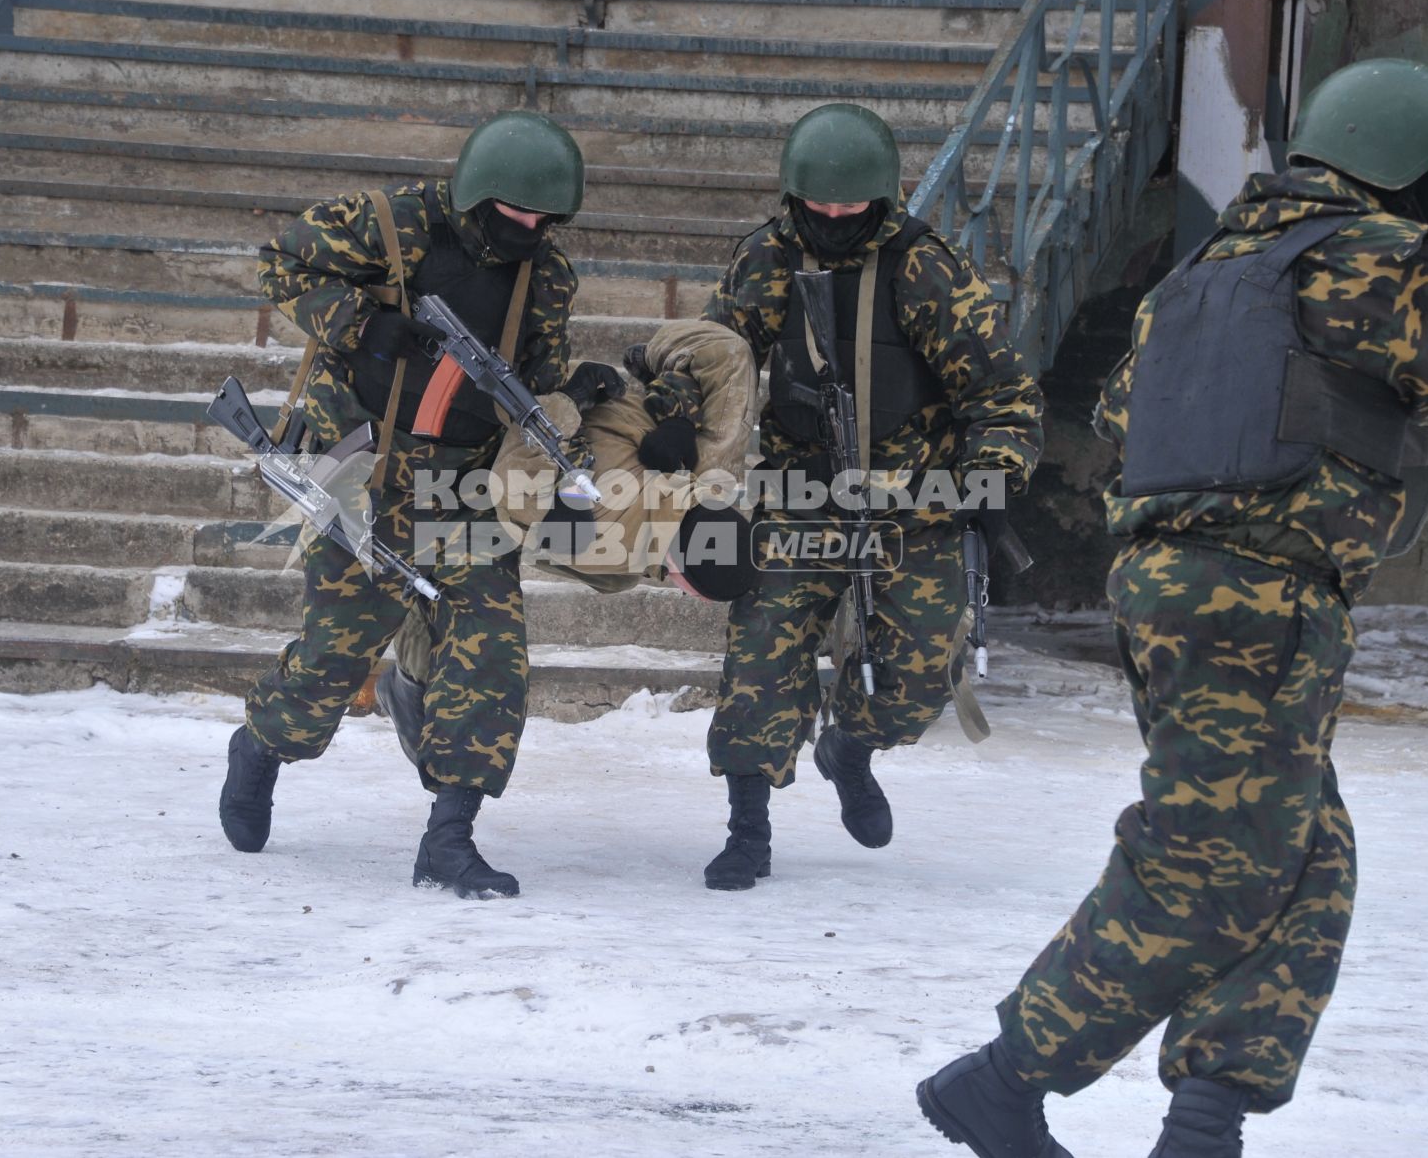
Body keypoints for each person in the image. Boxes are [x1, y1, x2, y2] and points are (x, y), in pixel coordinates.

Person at [915, 59, 1428, 1158]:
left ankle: (1205, 1119)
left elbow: (1126, 410)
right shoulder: (1390, 259)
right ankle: (1003, 1076)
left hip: (1179, 586)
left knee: (1305, 853)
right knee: (1209, 870)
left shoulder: (1206, 274)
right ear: (1396, 160)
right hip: (1255, 595)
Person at [216, 110, 625, 900]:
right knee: (335, 658)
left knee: (491, 652)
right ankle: (264, 743)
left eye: (544, 220)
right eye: (513, 215)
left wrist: (573, 395)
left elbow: (532, 383)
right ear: (476, 194)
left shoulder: (549, 276)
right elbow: (281, 264)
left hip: (463, 488)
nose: (528, 230)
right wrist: (363, 325)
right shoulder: (389, 224)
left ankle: (450, 836)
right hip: (363, 475)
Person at [697, 102, 1045, 891]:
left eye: (850, 210)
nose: (832, 221)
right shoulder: (765, 260)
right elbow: (715, 366)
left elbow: (1003, 393)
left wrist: (991, 478)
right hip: (800, 496)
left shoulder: (928, 269)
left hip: (911, 503)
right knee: (761, 658)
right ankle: (747, 827)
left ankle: (848, 748)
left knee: (923, 671)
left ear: (882, 199)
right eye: (817, 208)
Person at [374, 315, 766, 757]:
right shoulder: (703, 475)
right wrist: (674, 402)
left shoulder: (606, 538)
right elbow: (725, 349)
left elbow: (514, 475)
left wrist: (570, 400)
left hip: (492, 452)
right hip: (521, 369)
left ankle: (406, 687)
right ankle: (409, 687)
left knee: (454, 585)